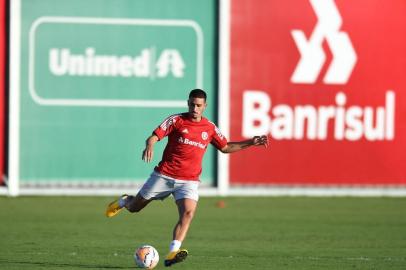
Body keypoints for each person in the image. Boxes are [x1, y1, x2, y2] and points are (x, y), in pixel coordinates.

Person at [105, 89, 269, 267]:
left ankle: (173, 251)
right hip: (164, 175)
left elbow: (226, 147)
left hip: (189, 181)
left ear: (205, 106)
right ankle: (123, 202)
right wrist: (150, 145)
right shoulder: (176, 120)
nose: (195, 108)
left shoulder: (210, 128)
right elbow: (154, 137)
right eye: (192, 104)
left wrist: (250, 143)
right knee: (135, 207)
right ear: (188, 103)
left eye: (199, 105)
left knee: (188, 214)